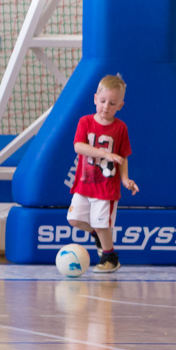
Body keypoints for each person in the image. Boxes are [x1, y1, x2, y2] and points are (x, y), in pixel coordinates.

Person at [67, 74, 139, 273]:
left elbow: (123, 157)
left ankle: (110, 257)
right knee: (74, 220)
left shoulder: (120, 128)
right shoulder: (85, 122)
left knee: (101, 223)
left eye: (112, 103)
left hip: (106, 188)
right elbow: (79, 147)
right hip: (84, 184)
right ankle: (99, 235)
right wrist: (103, 153)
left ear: (120, 106)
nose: (106, 106)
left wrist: (125, 179)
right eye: (103, 101)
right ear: (95, 99)